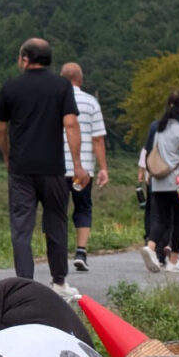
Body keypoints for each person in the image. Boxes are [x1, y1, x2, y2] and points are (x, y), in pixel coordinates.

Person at [0, 38, 89, 300]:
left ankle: (24, 286)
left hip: (21, 168)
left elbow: (0, 128)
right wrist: (78, 164)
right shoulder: (61, 86)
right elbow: (71, 125)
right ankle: (59, 282)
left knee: (22, 227)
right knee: (56, 223)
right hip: (53, 168)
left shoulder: (11, 87)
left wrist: (7, 155)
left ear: (25, 58)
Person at [141, 92, 179, 274]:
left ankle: (150, 247)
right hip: (178, 184)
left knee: (161, 219)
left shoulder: (159, 129)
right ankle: (173, 261)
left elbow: (150, 152)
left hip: (158, 183)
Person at [60, 62, 108, 273]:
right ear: (80, 79)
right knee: (83, 207)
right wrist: (103, 168)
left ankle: (58, 251)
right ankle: (80, 251)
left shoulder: (55, 101)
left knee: (56, 210)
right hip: (83, 170)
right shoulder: (91, 103)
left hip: (57, 167)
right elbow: (98, 139)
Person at [137, 90, 179, 249]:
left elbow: (148, 150)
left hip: (155, 173)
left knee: (154, 211)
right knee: (172, 213)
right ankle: (165, 245)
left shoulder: (156, 125)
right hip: (175, 176)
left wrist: (146, 170)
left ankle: (150, 240)